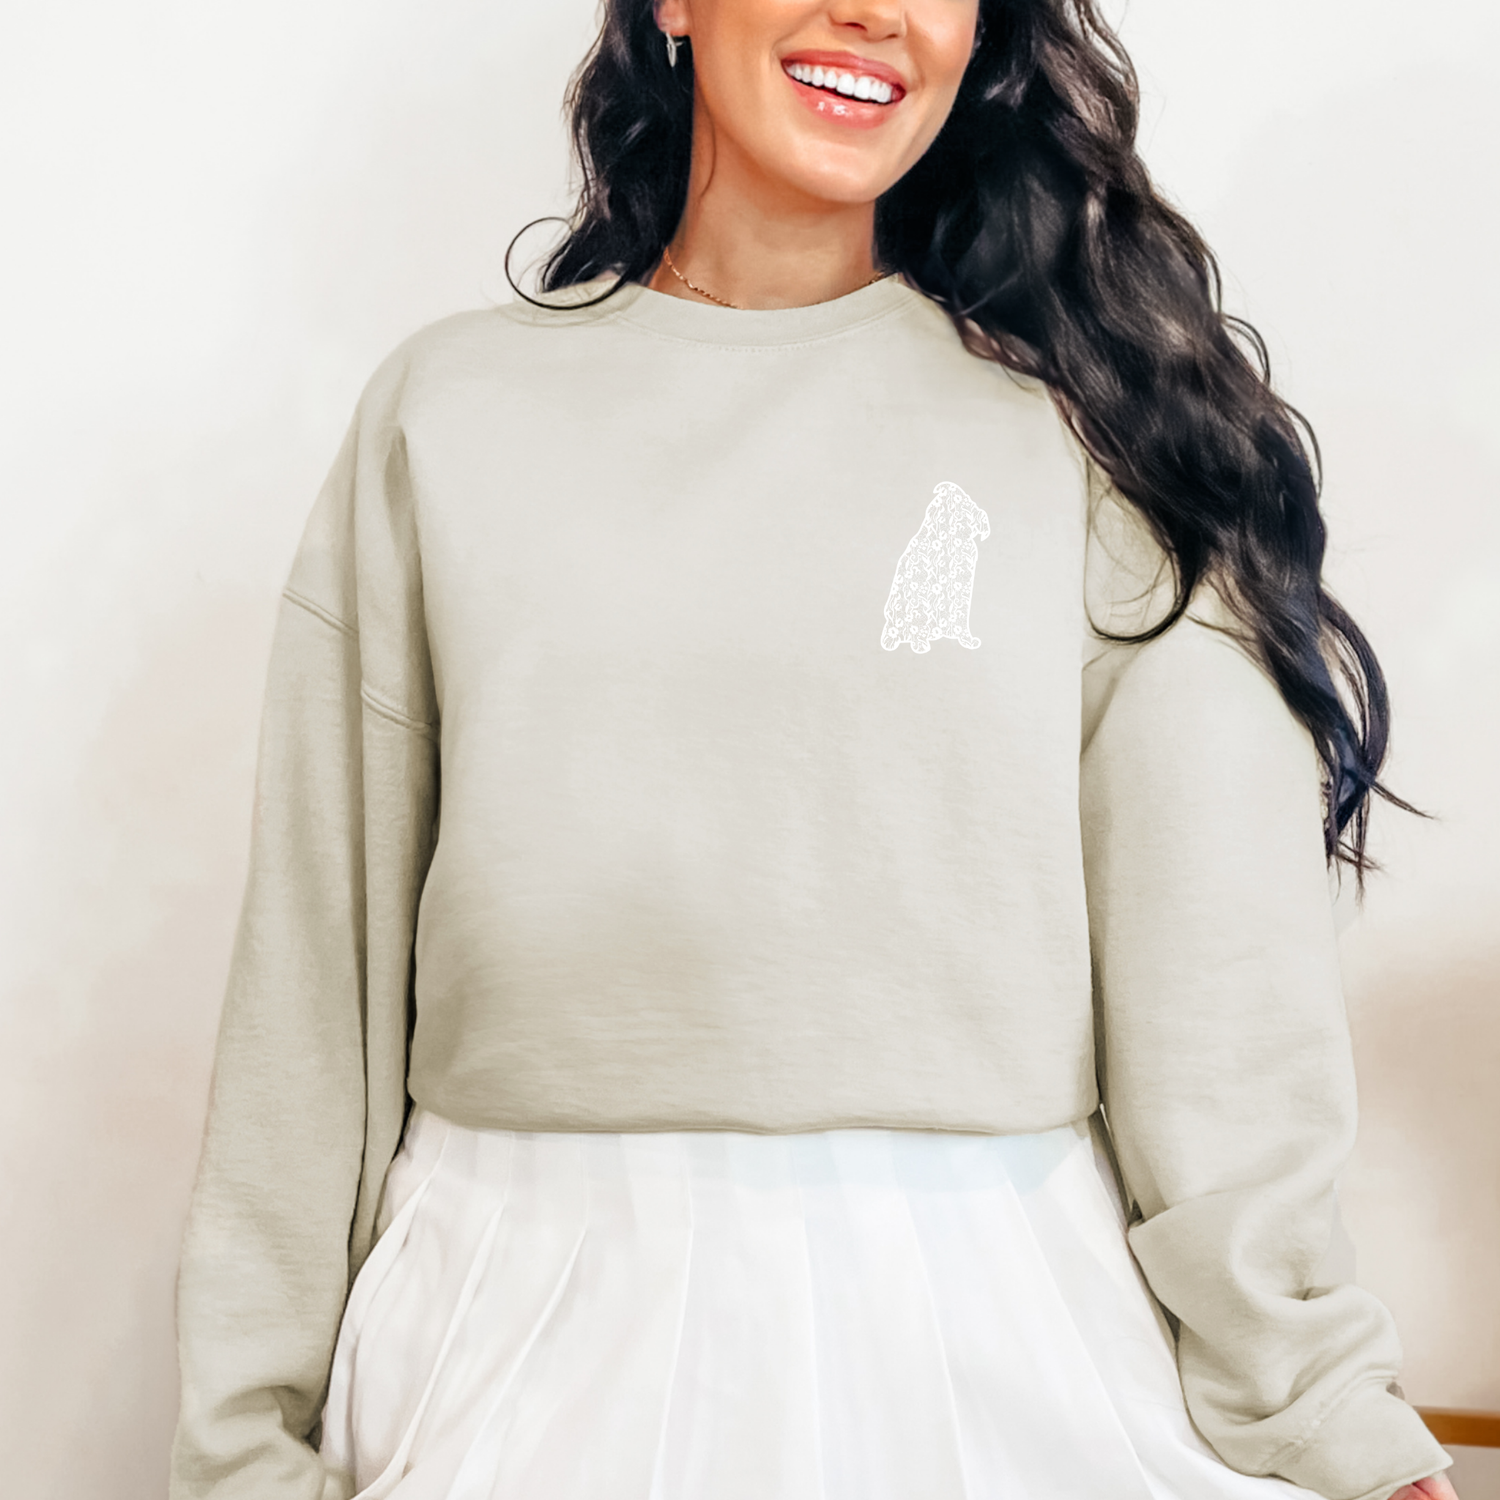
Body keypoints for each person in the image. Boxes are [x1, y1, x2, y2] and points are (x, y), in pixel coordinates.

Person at [167, 1, 1462, 1498]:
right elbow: (314, 980)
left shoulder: (1099, 434)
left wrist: (1320, 1404)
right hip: (514, 1335)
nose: (876, 13)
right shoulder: (448, 415)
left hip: (988, 1335)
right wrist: (241, 1445)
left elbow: (1221, 995)